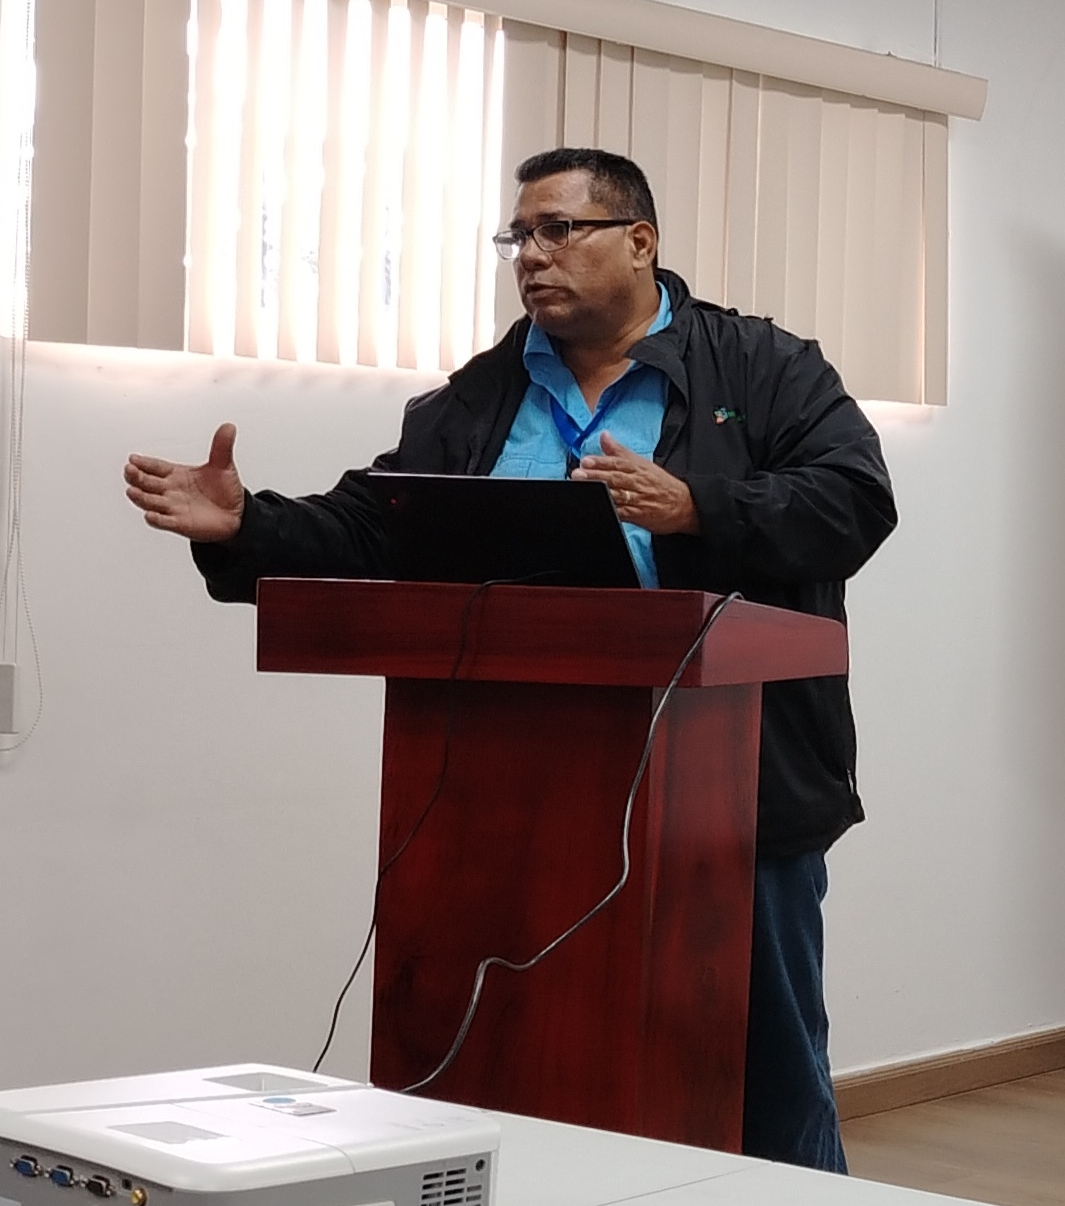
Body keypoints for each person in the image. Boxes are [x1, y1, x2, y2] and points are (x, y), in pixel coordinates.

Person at [123, 148, 892, 1171]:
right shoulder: (484, 395)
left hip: (733, 792)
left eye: (557, 229)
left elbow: (854, 499)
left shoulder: (762, 368)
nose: (531, 254)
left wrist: (699, 506)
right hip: (509, 803)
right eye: (518, 236)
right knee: (525, 1053)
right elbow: (380, 525)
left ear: (639, 242)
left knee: (761, 1066)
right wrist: (247, 524)